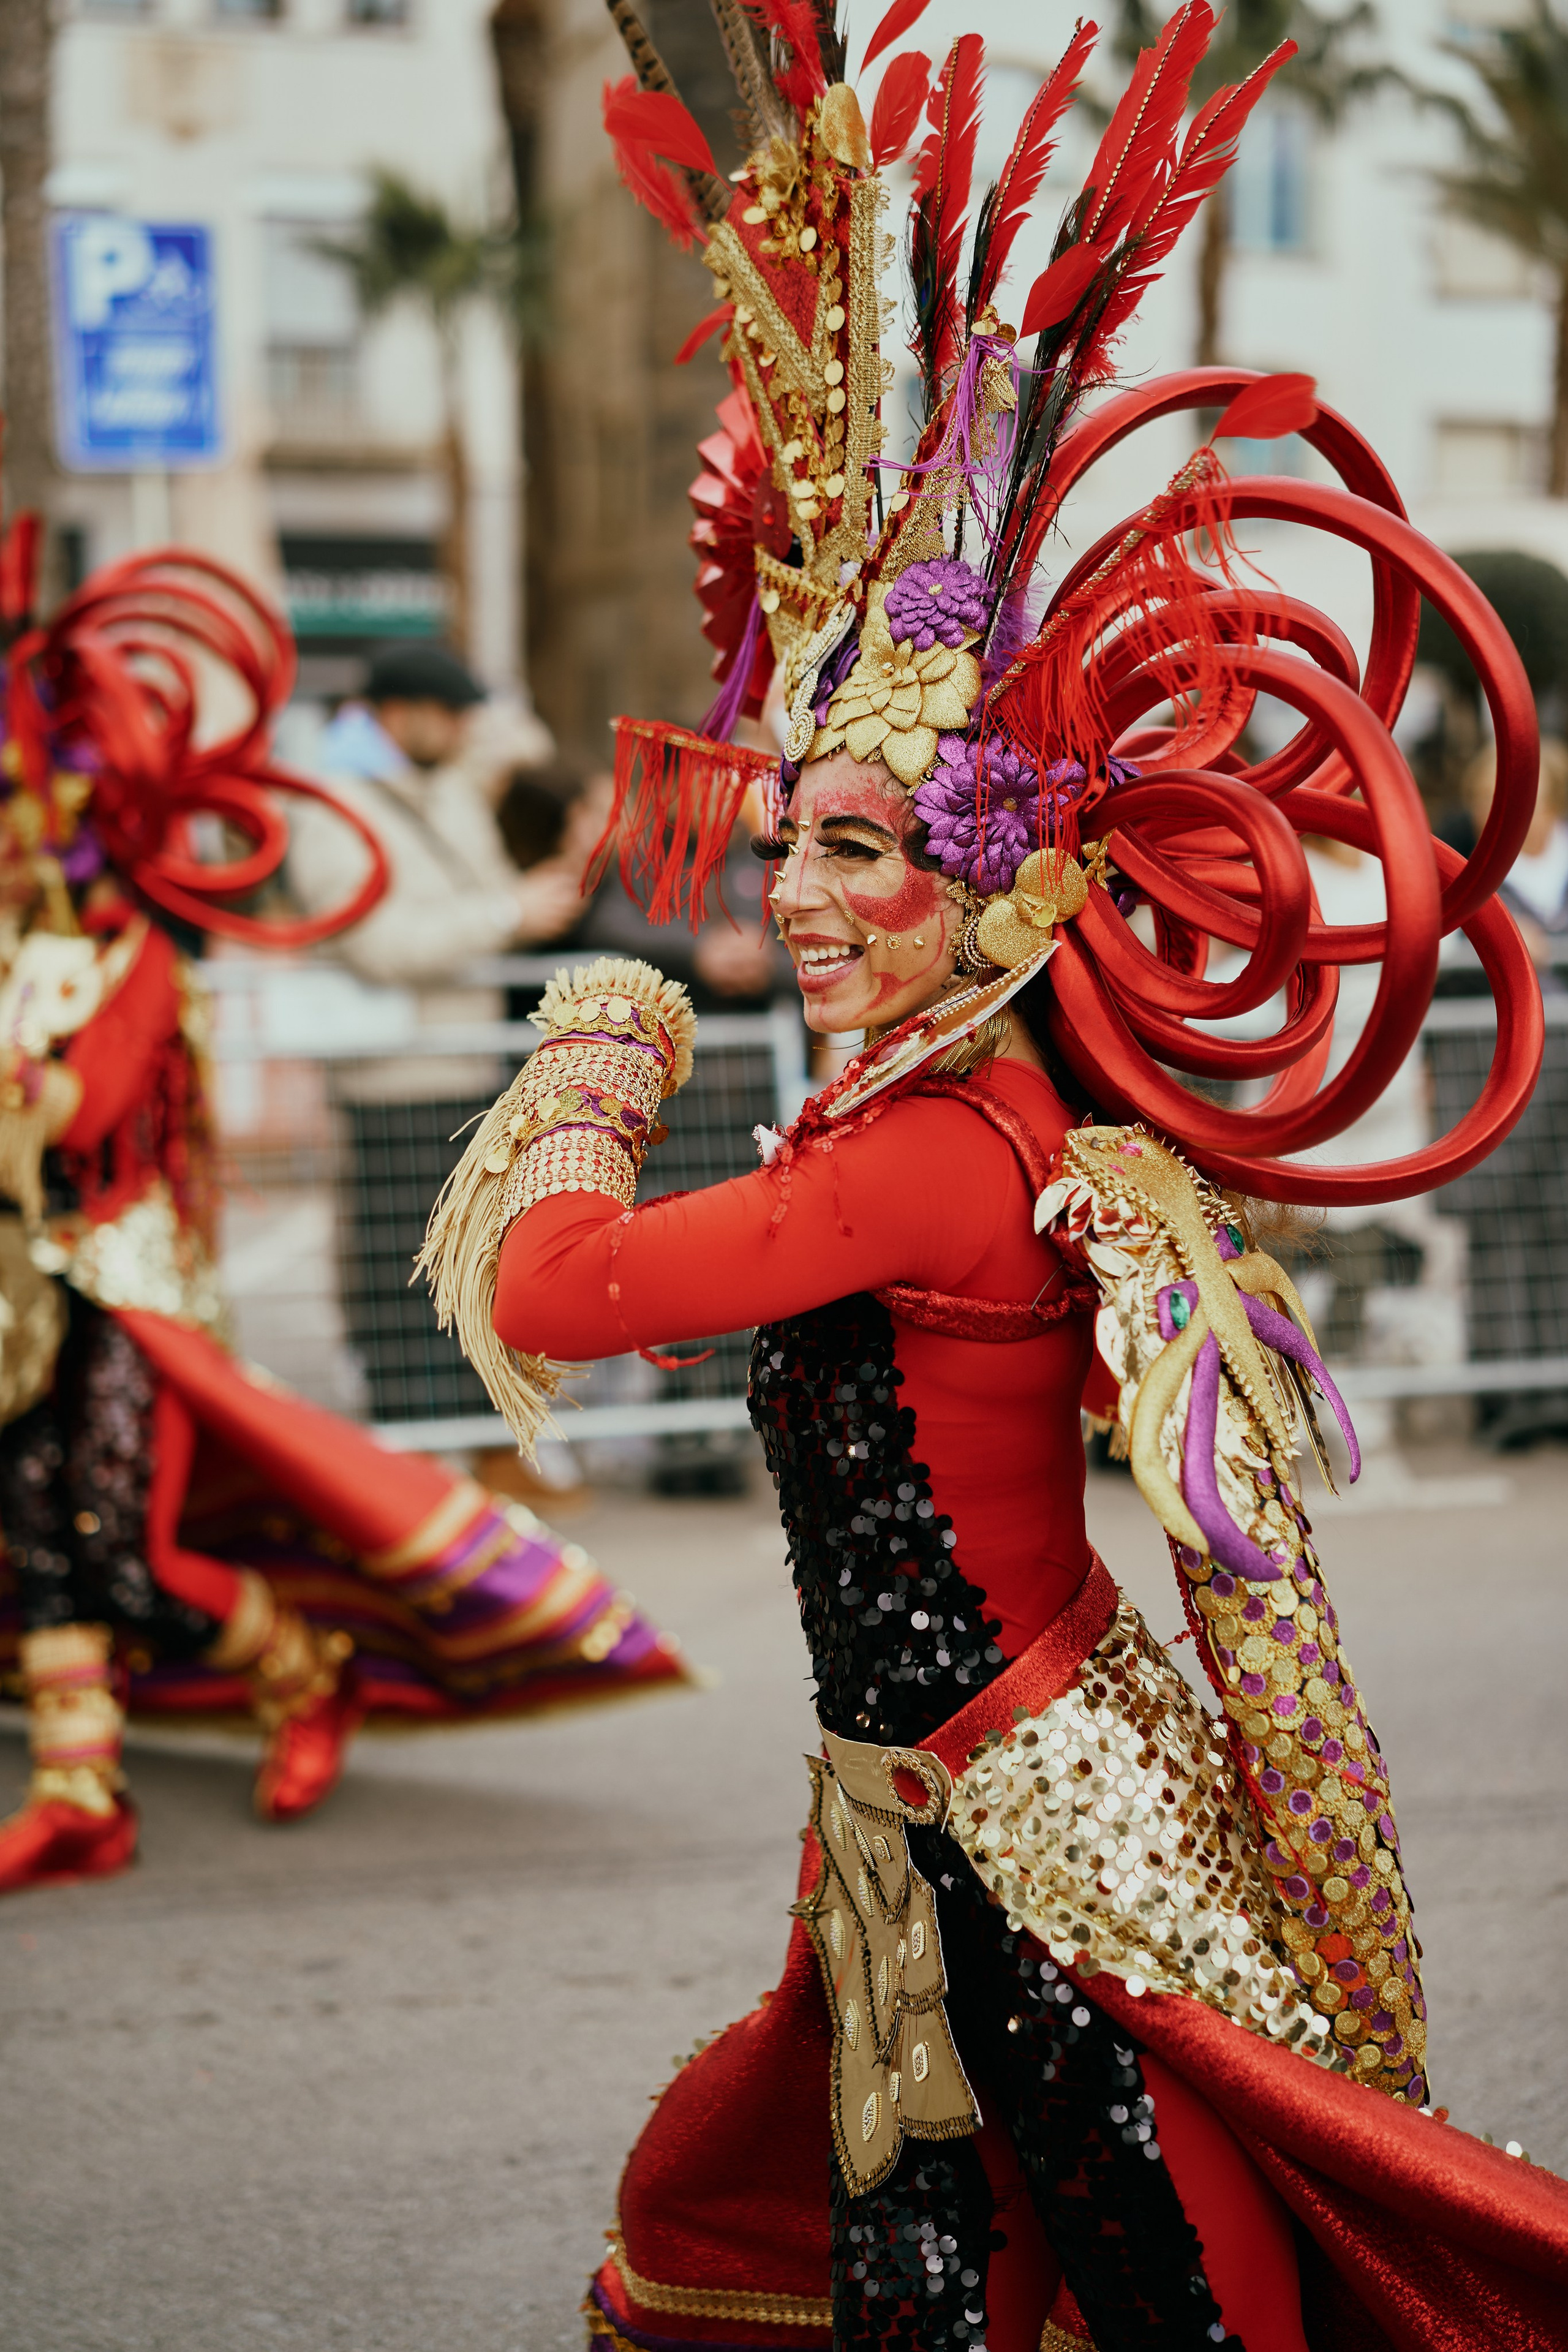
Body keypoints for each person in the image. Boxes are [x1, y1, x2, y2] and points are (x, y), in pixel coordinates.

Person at [421, 9, 1567, 2345]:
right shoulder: (914, 1110)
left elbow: (550, 1290)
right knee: (918, 2301)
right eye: (785, 846)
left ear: (993, 887)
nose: (800, 898)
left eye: (856, 851)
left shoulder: (942, 1153)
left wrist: (606, 1032)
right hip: (912, 1832)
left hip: (1037, 1854)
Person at [0, 541, 692, 1897]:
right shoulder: (34, 952)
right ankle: (83, 1784)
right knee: (41, 1539)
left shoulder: (135, 956)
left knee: (129, 1555)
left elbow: (81, 1114)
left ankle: (297, 1665)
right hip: (26, 1309)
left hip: (122, 1306)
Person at [285, 644, 584, 1421]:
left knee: (471, 1259)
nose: (463, 729)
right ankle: (418, 1429)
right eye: (448, 714)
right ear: (398, 714)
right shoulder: (329, 808)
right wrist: (503, 915)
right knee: (403, 1266)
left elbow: (522, 746)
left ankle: (467, 1426)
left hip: (465, 1069)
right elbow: (377, 945)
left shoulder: (451, 791)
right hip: (394, 1077)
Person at [1430, 740, 1568, 1445]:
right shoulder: (1468, 869)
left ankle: (1558, 1387)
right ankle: (1508, 1397)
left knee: (1558, 1228)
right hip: (1496, 1066)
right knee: (1500, 1231)